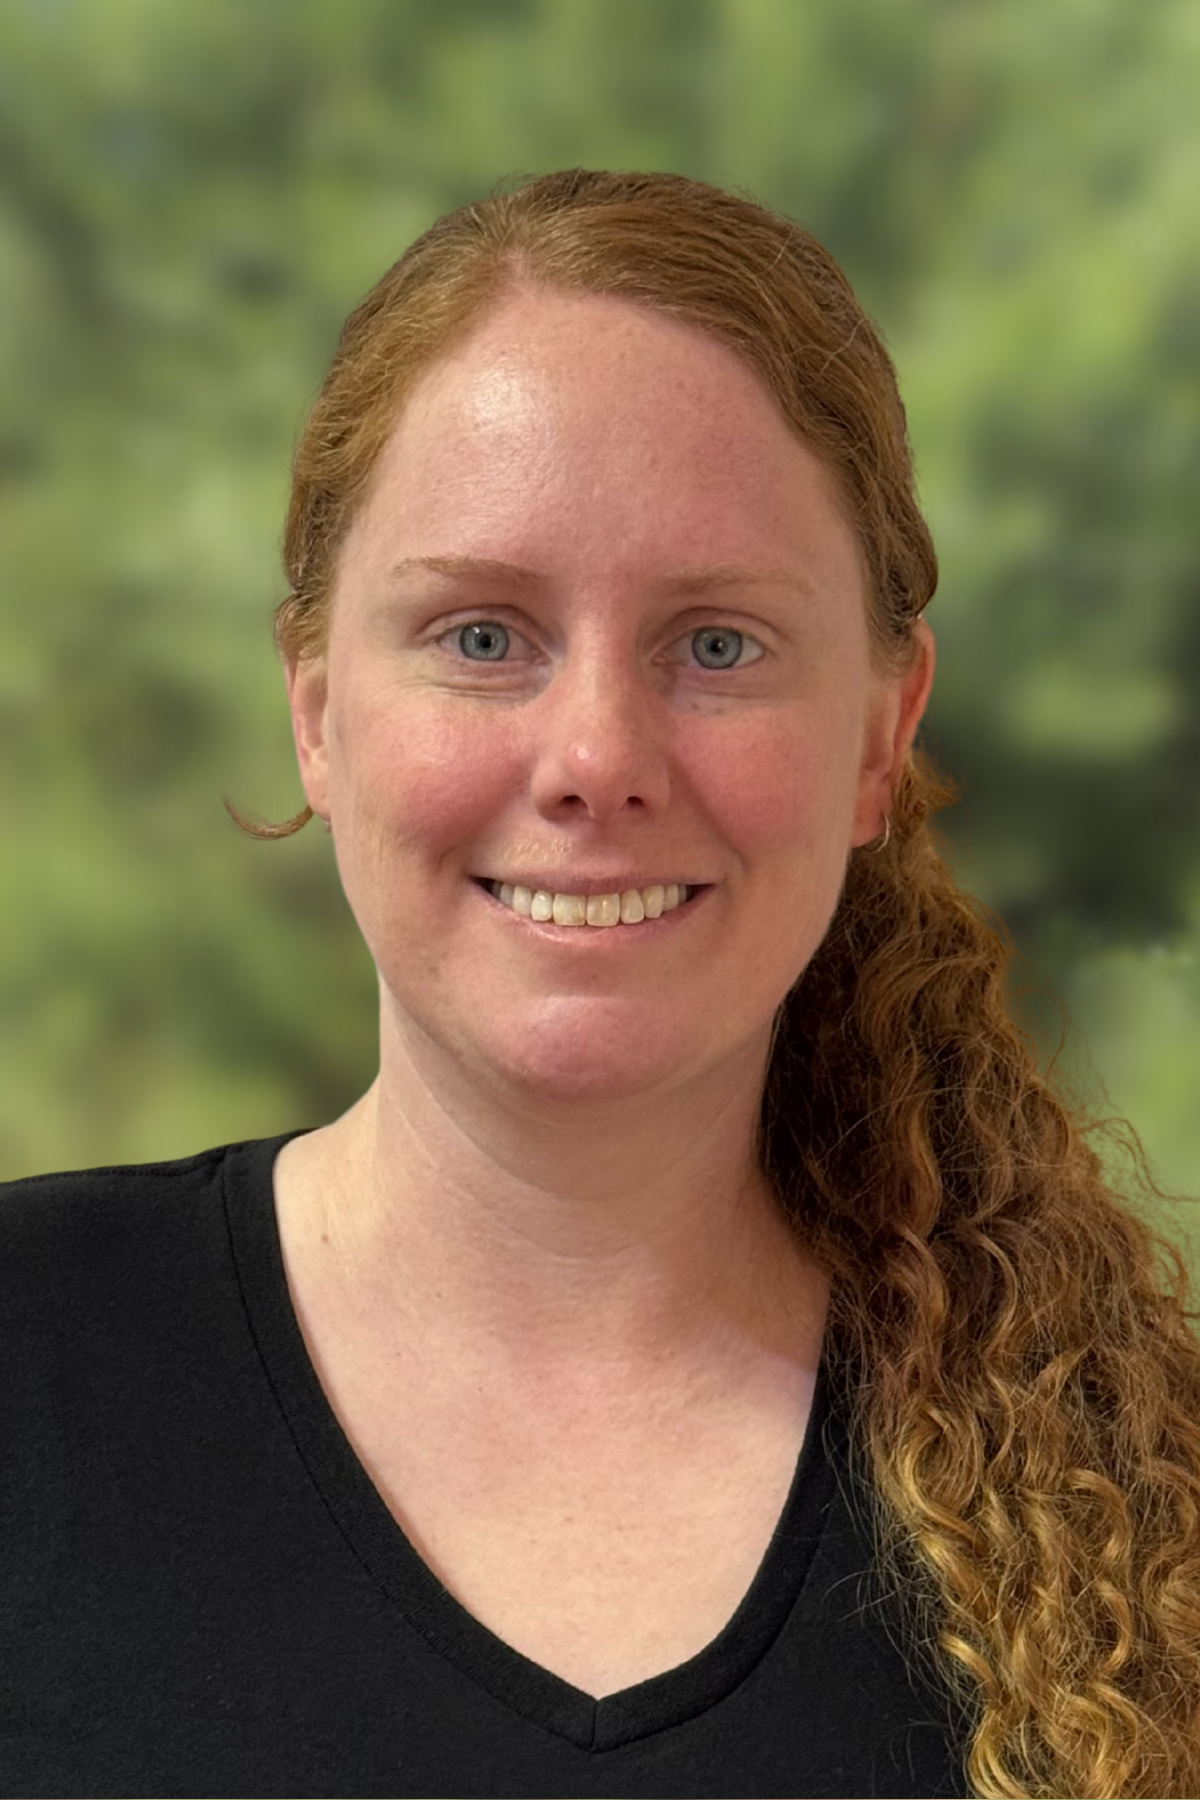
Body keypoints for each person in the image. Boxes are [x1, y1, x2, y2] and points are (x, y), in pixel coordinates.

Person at [2, 169, 1198, 1800]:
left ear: (878, 734)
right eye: (483, 636)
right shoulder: (32, 1364)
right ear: (316, 712)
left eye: (717, 644)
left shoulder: (1140, 1499)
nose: (595, 761)